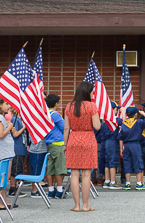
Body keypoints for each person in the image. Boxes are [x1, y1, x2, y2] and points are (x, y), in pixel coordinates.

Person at [64, 81, 103, 210]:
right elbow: (97, 126)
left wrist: (65, 144)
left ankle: (76, 205)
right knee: (86, 174)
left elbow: (66, 128)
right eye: (92, 91)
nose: (93, 93)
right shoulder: (91, 106)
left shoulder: (69, 106)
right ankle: (85, 205)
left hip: (73, 139)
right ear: (87, 92)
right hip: (88, 139)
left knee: (74, 174)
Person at [119, 106, 145, 189]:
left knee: (127, 164)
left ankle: (127, 183)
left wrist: (121, 149)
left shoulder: (124, 124)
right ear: (136, 114)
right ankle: (139, 183)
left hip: (127, 146)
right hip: (136, 145)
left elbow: (120, 137)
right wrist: (143, 113)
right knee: (138, 163)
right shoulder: (138, 122)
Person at [44, 94, 67, 199]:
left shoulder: (45, 114)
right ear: (56, 103)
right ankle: (59, 191)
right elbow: (64, 128)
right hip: (58, 144)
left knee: (50, 169)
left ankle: (50, 191)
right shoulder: (56, 114)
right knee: (59, 169)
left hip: (50, 143)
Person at [7, 108, 28, 195]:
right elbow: (15, 134)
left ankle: (16, 188)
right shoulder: (14, 119)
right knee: (15, 170)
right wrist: (23, 127)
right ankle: (12, 189)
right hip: (17, 148)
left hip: (21, 149)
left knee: (19, 169)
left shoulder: (20, 119)